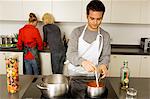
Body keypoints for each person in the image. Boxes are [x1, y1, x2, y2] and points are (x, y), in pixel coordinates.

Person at [66, 0, 111, 78]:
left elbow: (105, 56)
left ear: (102, 17)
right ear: (87, 16)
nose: (95, 22)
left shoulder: (105, 36)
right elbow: (70, 53)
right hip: (75, 74)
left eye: (99, 19)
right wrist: (83, 62)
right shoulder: (77, 32)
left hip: (94, 75)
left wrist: (103, 65)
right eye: (92, 18)